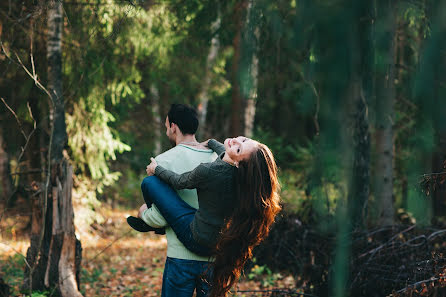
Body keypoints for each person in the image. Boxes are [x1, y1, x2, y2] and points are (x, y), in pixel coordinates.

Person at [142, 135, 282, 297]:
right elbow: (225, 152)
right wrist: (211, 142)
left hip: (195, 237)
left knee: (149, 183)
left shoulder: (208, 171)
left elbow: (179, 181)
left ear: (238, 163)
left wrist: (156, 169)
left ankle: (154, 221)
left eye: (239, 148)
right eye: (243, 140)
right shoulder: (244, 180)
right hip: (217, 244)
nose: (235, 142)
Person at [127, 104, 217, 297]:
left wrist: (144, 213)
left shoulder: (162, 162)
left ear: (173, 127)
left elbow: (162, 218)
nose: (166, 129)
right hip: (215, 256)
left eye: (166, 125)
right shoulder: (217, 157)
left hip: (180, 258)